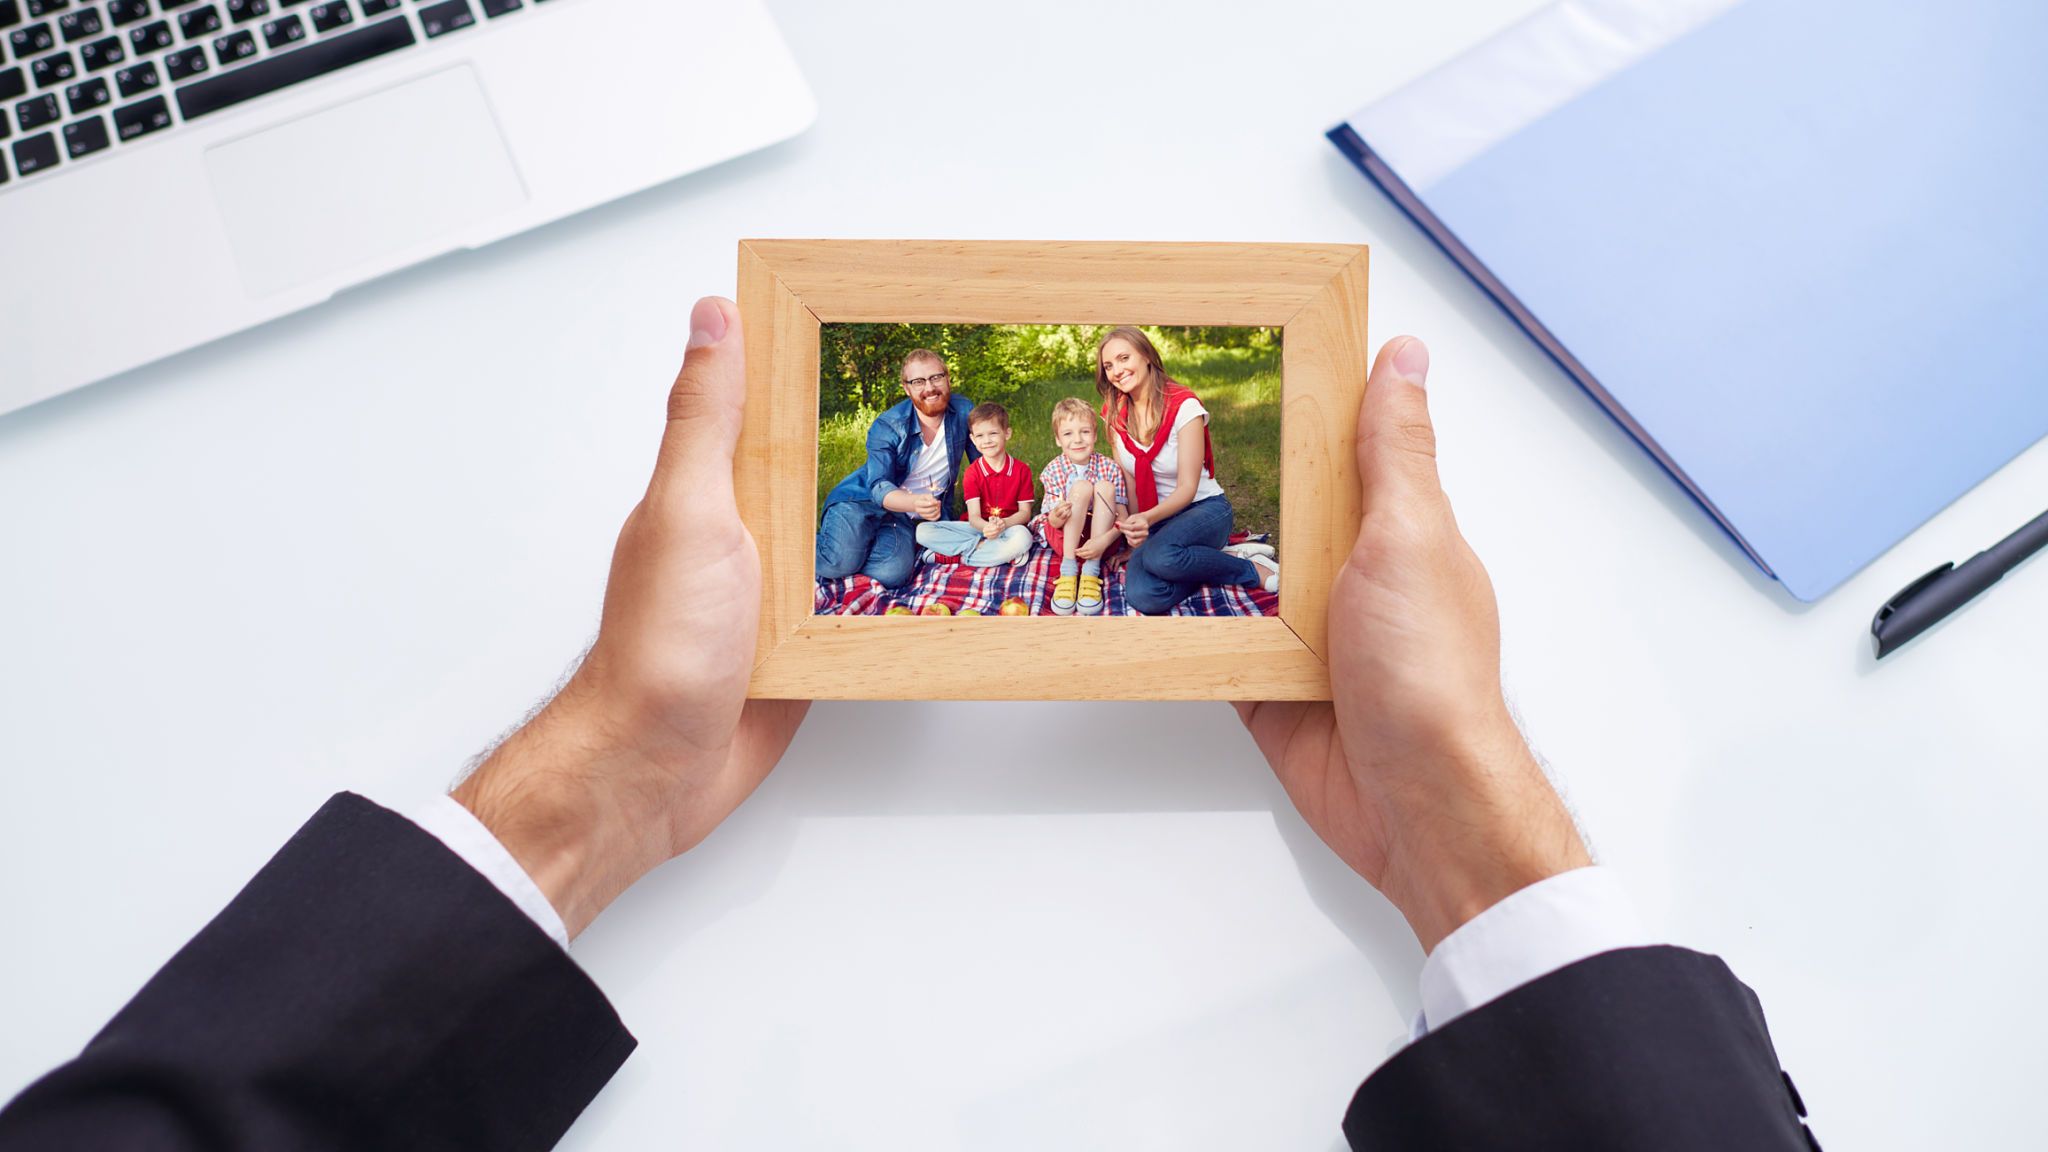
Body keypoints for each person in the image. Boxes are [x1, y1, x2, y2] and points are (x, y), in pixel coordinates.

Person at [0, 300, 1821, 1151]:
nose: (963, 387)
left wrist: (1070, 500)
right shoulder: (904, 427)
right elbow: (952, 485)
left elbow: (1075, 486)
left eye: (976, 373)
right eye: (942, 374)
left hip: (1106, 524)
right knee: (929, 534)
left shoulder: (1147, 417)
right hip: (966, 529)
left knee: (1108, 533)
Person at [1097, 326, 1279, 614]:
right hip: (1157, 520)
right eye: (1108, 366)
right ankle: (1208, 561)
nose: (1117, 370)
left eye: (1123, 358)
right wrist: (1135, 533)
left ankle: (1250, 569)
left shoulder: (1184, 407)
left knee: (1161, 558)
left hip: (1203, 509)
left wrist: (1146, 520)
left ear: (1146, 355)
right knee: (1145, 596)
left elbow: (1187, 489)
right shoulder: (1114, 414)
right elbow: (1130, 478)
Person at [815, 348, 976, 588]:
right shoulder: (888, 426)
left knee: (892, 574)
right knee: (837, 564)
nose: (930, 388)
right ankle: (815, 545)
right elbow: (879, 487)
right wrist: (914, 503)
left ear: (947, 378)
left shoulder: (963, 410)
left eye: (936, 377)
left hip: (899, 516)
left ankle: (855, 547)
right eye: (918, 381)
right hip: (858, 502)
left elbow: (983, 465)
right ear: (906, 388)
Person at [912, 401, 1036, 568]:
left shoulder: (1021, 470)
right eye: (980, 436)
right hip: (977, 528)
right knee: (923, 531)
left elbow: (1025, 513)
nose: (987, 440)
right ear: (973, 439)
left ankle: (958, 557)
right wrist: (987, 528)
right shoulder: (972, 472)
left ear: (1007, 433)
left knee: (1024, 537)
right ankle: (990, 552)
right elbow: (974, 517)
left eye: (993, 433)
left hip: (1009, 527)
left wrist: (1002, 525)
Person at [1036, 396, 1128, 614]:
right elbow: (1052, 520)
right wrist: (1058, 514)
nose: (1077, 439)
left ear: (1095, 435)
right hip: (1064, 537)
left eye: (1085, 432)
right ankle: (1068, 571)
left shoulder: (1110, 468)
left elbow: (1123, 518)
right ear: (1058, 439)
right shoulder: (1053, 470)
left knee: (1104, 487)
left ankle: (1090, 571)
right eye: (1068, 433)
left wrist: (1103, 541)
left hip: (1100, 541)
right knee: (1082, 487)